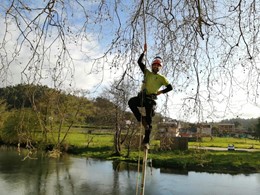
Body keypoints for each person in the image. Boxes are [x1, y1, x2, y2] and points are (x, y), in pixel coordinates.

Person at [128, 44, 173, 144]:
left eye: (158, 66)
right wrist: (143, 52)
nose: (156, 67)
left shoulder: (162, 78)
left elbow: (170, 87)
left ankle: (146, 140)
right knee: (131, 102)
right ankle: (141, 119)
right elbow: (139, 62)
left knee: (149, 122)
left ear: (160, 67)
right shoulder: (147, 73)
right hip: (142, 97)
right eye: (155, 65)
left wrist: (160, 92)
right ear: (152, 65)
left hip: (150, 100)